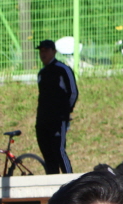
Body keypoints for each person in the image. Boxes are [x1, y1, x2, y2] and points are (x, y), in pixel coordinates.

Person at [36, 39, 78, 175]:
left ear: (53, 52)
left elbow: (73, 92)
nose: (43, 54)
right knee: (48, 155)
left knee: (58, 151)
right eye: (41, 51)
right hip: (42, 120)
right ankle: (52, 187)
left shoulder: (62, 69)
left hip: (57, 119)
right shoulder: (41, 73)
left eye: (46, 51)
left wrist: (64, 112)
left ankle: (70, 182)